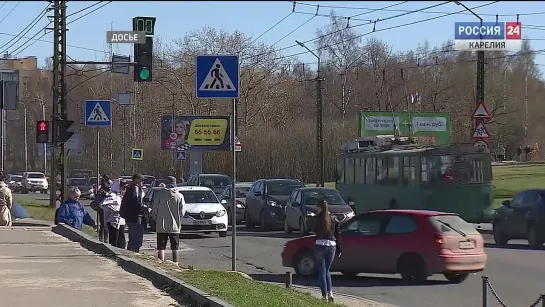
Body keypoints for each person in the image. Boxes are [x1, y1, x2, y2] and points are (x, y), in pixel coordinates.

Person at [313, 199, 342, 302]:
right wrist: (339, 248)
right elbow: (338, 234)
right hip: (332, 246)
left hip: (320, 245)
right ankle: (330, 293)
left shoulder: (317, 218)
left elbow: (313, 229)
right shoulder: (334, 218)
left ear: (319, 207)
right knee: (327, 271)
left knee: (322, 271)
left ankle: (324, 296)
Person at [152, 176, 184, 265]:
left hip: (161, 224)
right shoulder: (179, 196)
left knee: (161, 246)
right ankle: (176, 263)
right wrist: (178, 219)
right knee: (175, 246)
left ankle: (161, 262)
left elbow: (155, 210)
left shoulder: (160, 195)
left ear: (166, 184)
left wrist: (156, 218)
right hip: (174, 225)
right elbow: (182, 211)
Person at [120, 174, 145, 252]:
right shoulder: (134, 188)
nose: (143, 182)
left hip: (131, 216)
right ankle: (133, 253)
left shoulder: (132, 188)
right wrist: (144, 208)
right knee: (136, 237)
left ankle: (131, 252)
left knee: (133, 237)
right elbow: (135, 202)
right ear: (136, 180)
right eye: (141, 180)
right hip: (134, 216)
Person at [100, 179, 126, 249]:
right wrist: (114, 210)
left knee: (122, 242)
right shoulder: (112, 195)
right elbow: (102, 204)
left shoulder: (121, 196)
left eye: (124, 187)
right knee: (114, 242)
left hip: (121, 221)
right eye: (122, 186)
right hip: (113, 221)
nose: (123, 189)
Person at [96, 175, 112, 243]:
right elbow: (98, 198)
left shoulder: (109, 189)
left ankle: (106, 239)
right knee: (103, 224)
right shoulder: (101, 189)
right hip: (102, 208)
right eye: (107, 182)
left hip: (108, 208)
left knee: (107, 224)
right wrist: (106, 194)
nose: (108, 183)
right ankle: (101, 239)